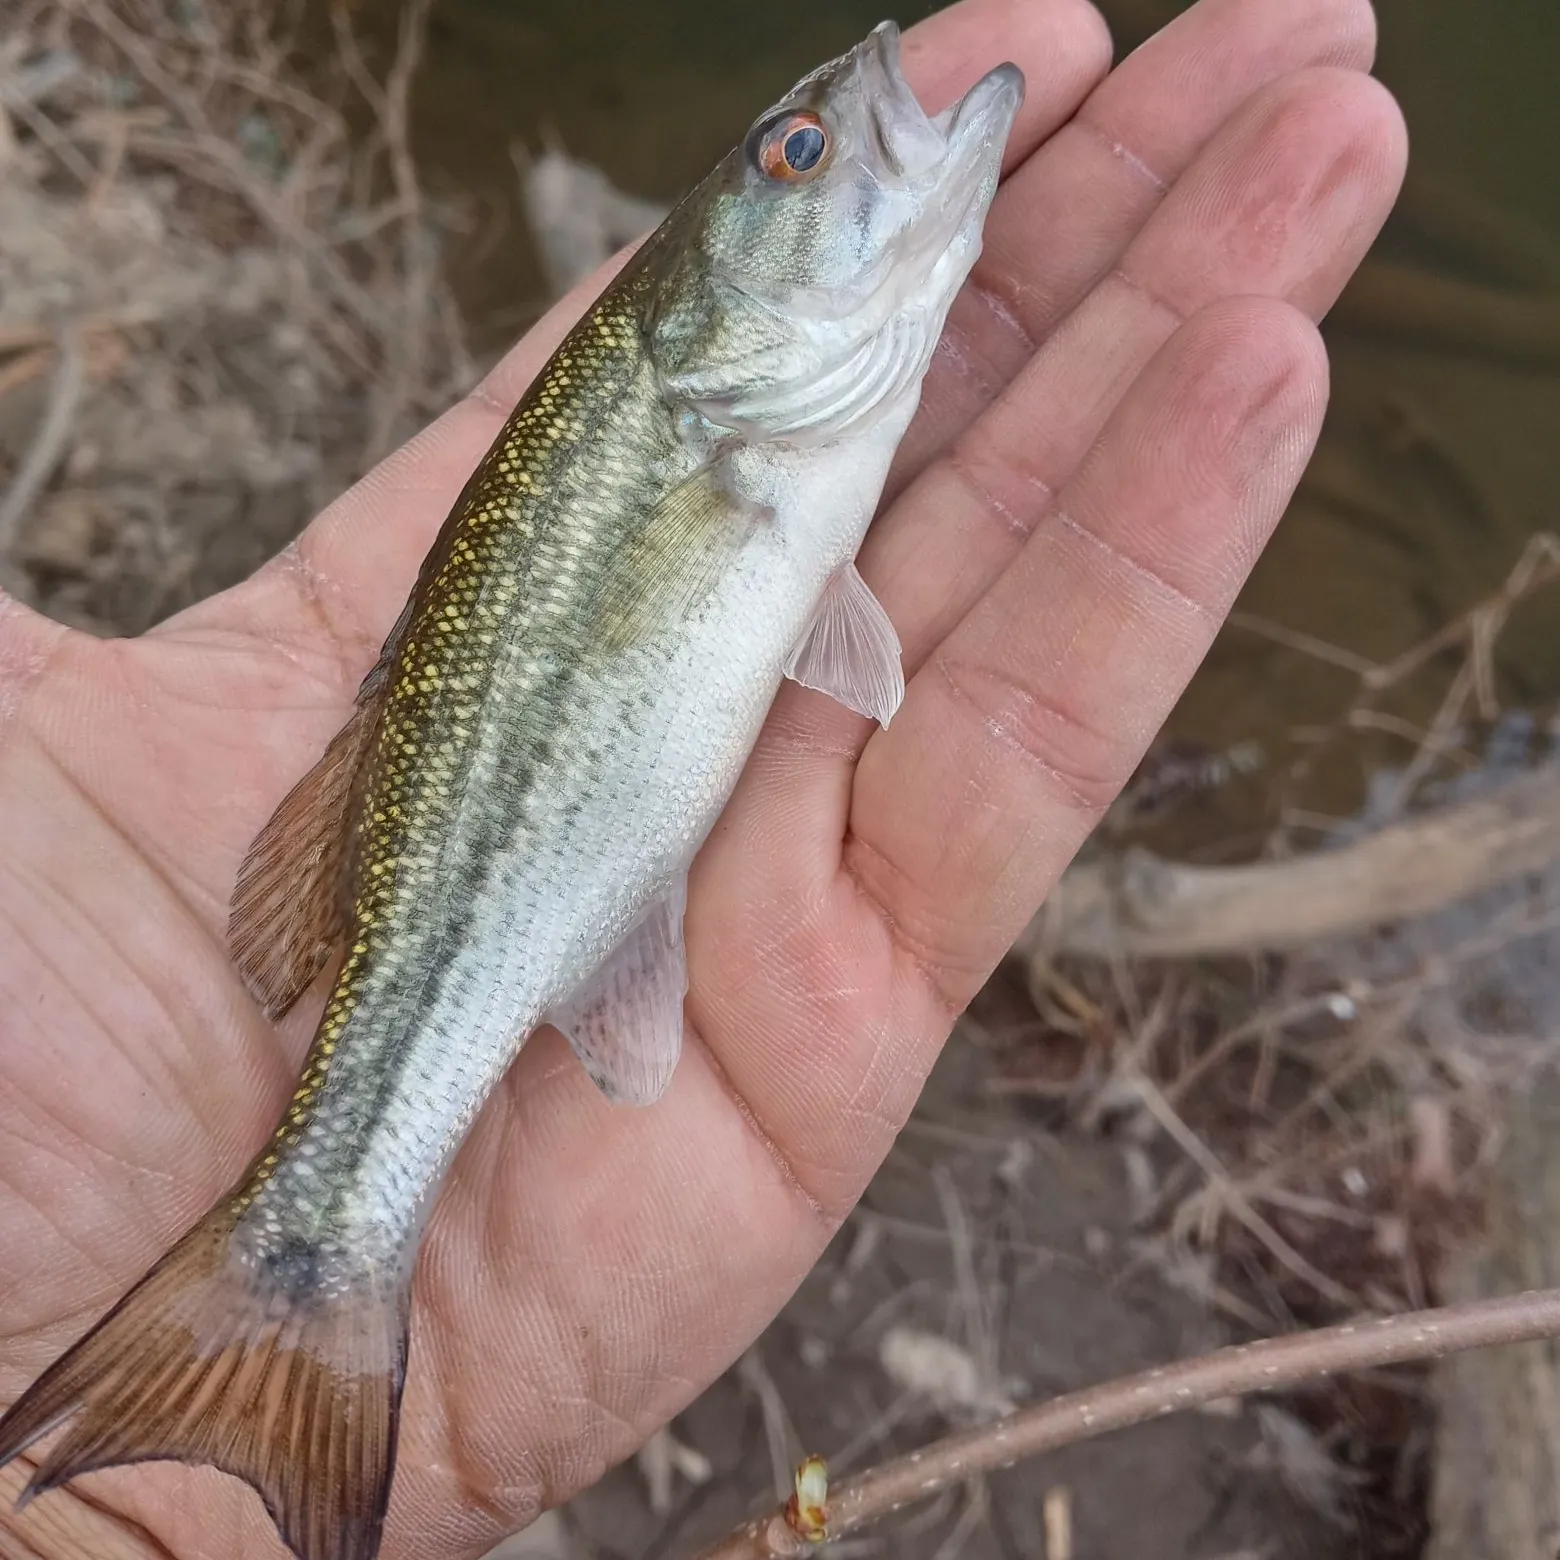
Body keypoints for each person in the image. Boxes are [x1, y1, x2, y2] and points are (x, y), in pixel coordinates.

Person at [0, 0, 1404, 1553]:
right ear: (694, 322)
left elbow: (819, 628)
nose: (844, 130)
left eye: (799, 148)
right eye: (798, 157)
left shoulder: (763, 433)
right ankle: (310, 1259)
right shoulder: (720, 431)